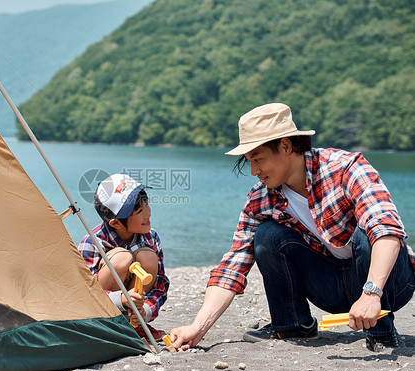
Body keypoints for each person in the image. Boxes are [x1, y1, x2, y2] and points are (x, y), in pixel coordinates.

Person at [170, 103, 415, 352]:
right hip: (333, 287)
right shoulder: (261, 198)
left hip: (390, 284)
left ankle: (381, 334)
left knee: (367, 232)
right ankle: (293, 325)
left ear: (286, 146)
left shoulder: (345, 168)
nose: (254, 171)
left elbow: (387, 229)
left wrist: (372, 293)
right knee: (267, 236)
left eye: (258, 159)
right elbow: (233, 266)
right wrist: (198, 327)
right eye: (249, 162)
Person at [78, 173, 169, 340]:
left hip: (136, 311)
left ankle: (133, 324)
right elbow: (83, 292)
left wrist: (145, 311)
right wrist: (120, 299)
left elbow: (160, 285)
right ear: (116, 223)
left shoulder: (151, 237)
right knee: (122, 258)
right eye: (139, 211)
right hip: (101, 310)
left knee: (147, 256)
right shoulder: (92, 242)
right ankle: (110, 324)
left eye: (147, 204)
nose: (148, 213)